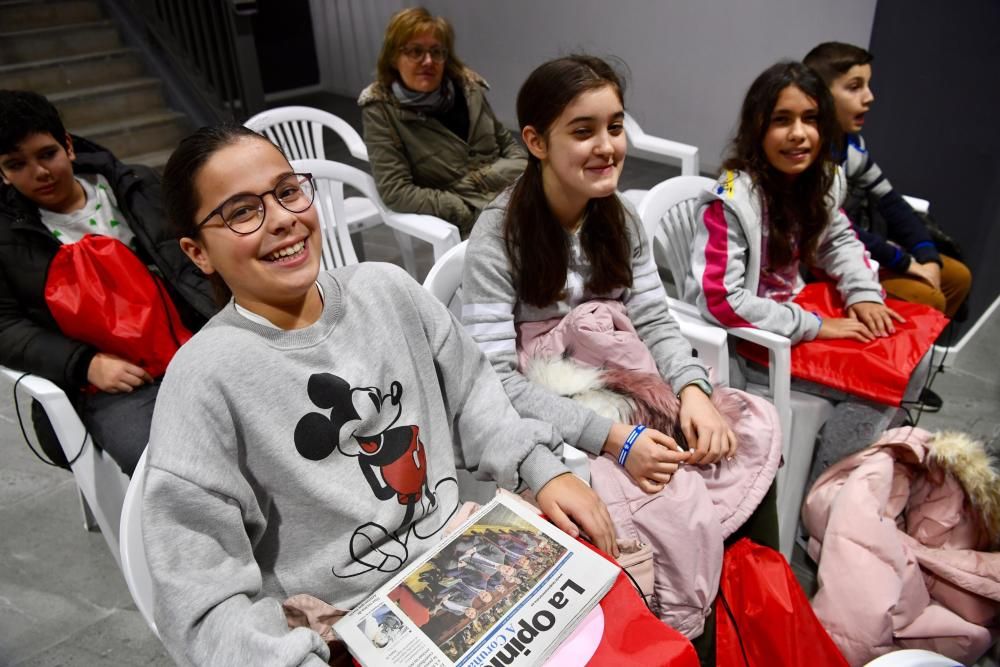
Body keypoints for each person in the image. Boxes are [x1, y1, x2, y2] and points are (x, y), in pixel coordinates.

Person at [144, 124, 615, 666]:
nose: (281, 220)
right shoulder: (204, 377)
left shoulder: (386, 290)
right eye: (242, 212)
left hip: (460, 564)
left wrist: (542, 467)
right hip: (346, 627)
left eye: (287, 191)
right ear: (198, 252)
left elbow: (475, 397)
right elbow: (201, 593)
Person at [462, 55, 782, 664]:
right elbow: (494, 380)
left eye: (615, 126)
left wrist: (694, 392)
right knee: (659, 501)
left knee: (744, 433)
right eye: (583, 131)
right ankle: (689, 639)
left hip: (627, 379)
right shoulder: (498, 235)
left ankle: (750, 616)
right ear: (536, 141)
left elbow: (657, 320)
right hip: (553, 408)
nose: (607, 146)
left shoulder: (620, 217)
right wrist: (612, 438)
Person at [683, 61, 931, 490]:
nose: (799, 134)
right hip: (755, 344)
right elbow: (722, 300)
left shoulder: (818, 180)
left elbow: (839, 240)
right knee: (878, 390)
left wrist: (863, 293)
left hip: (795, 316)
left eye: (811, 119)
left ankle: (866, 479)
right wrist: (817, 327)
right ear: (757, 128)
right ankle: (826, 498)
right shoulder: (730, 199)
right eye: (782, 120)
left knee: (915, 348)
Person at [0, 90, 215, 475]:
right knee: (165, 465)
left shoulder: (135, 186)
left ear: (67, 145)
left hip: (192, 342)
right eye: (17, 165)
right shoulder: (7, 238)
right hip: (108, 383)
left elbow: (199, 254)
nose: (40, 173)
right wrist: (85, 364)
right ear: (1, 172)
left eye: (46, 154)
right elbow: (5, 327)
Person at [804, 42, 971, 321]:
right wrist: (904, 263)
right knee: (926, 296)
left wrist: (926, 255)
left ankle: (912, 351)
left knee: (957, 277)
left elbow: (892, 202)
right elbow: (832, 230)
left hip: (858, 247)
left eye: (868, 85)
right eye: (855, 87)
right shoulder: (807, 154)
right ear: (819, 96)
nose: (869, 97)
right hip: (822, 260)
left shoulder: (851, 147)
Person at [358, 7, 526, 237]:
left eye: (436, 52)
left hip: (515, 197)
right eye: (415, 51)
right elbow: (396, 191)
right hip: (472, 216)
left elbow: (511, 149)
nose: (428, 61)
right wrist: (460, 209)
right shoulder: (381, 109)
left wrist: (488, 180)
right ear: (393, 58)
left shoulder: (469, 89)